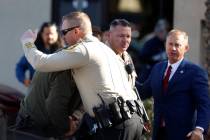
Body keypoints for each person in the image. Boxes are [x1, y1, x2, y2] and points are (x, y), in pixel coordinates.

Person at [20, 11, 144, 140]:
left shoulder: (83, 50)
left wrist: (27, 42)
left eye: (64, 32)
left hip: (116, 126)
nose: (62, 38)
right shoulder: (108, 50)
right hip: (135, 122)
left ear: (76, 31)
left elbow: (41, 62)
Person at [137, 29, 210, 140]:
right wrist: (127, 77)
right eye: (170, 44)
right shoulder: (158, 68)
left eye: (177, 45)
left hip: (184, 135)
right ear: (165, 45)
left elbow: (204, 104)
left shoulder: (195, 72)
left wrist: (199, 129)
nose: (173, 48)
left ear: (186, 48)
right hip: (159, 133)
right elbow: (143, 92)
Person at [15, 70, 84, 139]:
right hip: (33, 124)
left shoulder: (55, 63)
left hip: (30, 119)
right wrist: (67, 126)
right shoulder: (67, 71)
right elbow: (55, 107)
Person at [15, 22, 63, 87]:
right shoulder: (34, 51)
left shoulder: (63, 51)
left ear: (57, 34)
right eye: (47, 34)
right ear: (41, 34)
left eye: (51, 33)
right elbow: (20, 66)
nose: (49, 36)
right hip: (37, 89)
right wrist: (24, 79)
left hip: (57, 89)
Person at [137, 19, 170, 83]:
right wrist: (154, 59)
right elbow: (142, 57)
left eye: (165, 30)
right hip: (149, 75)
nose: (164, 33)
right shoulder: (150, 43)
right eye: (161, 31)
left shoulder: (168, 43)